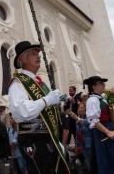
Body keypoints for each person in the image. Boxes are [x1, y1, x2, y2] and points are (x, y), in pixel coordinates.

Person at [8, 41, 69, 174]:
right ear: (23, 58)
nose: (38, 56)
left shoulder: (39, 82)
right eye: (34, 54)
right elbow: (21, 112)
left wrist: (57, 141)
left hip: (49, 139)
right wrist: (47, 99)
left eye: (38, 54)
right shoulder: (18, 83)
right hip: (33, 140)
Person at [84, 75, 114, 174]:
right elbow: (92, 119)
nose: (104, 85)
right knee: (109, 161)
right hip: (103, 133)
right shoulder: (92, 100)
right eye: (100, 83)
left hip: (109, 130)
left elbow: (107, 115)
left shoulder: (101, 99)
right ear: (94, 86)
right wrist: (107, 131)